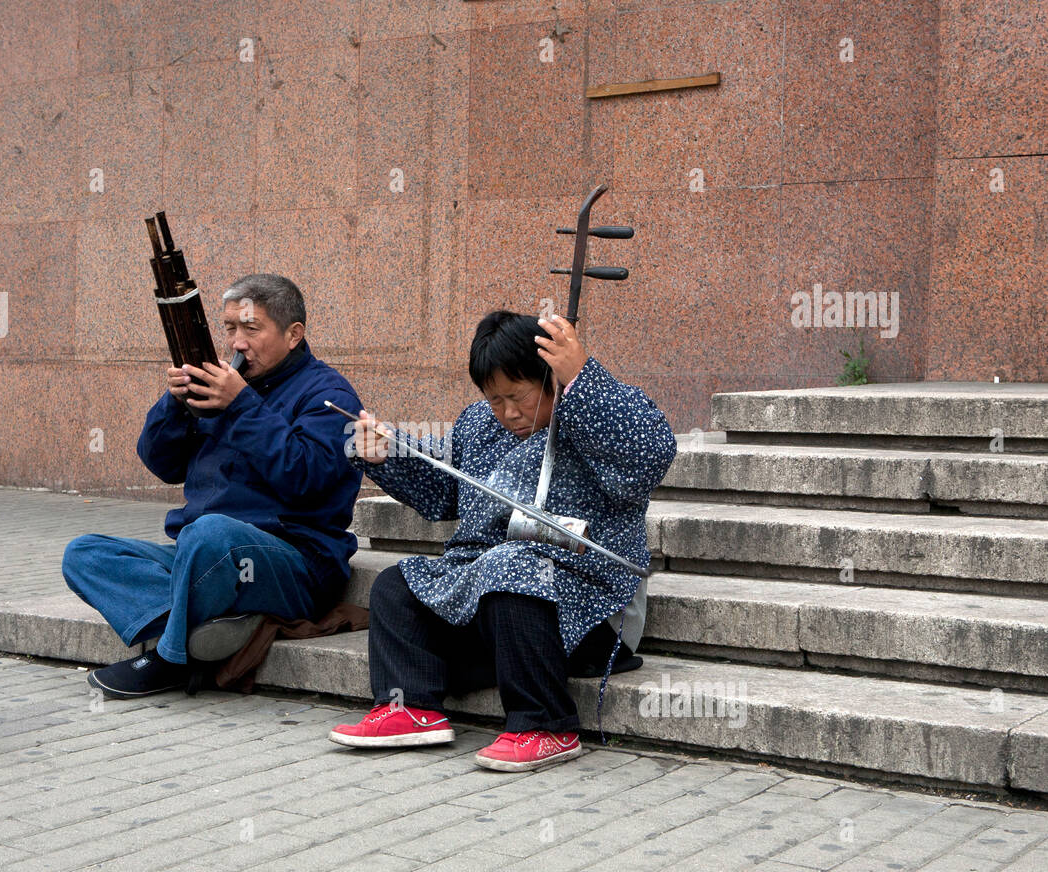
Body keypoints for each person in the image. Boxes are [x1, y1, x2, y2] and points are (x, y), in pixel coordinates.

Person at [329, 310, 676, 771]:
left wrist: (582, 380)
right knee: (398, 584)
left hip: (593, 604)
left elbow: (650, 455)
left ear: (551, 378)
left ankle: (545, 725)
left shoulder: (599, 407)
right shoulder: (478, 423)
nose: (509, 413)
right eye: (496, 400)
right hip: (496, 595)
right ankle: (409, 707)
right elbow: (444, 490)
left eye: (519, 396)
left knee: (510, 567)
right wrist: (387, 452)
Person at [63, 274, 363, 698]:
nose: (237, 343)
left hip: (293, 561)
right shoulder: (224, 383)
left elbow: (305, 478)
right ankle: (215, 627)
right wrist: (176, 405)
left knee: (210, 534)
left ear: (293, 335)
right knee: (85, 554)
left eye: (251, 329)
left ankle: (171, 660)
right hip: (203, 557)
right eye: (229, 328)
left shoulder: (329, 395)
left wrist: (241, 405)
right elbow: (162, 464)